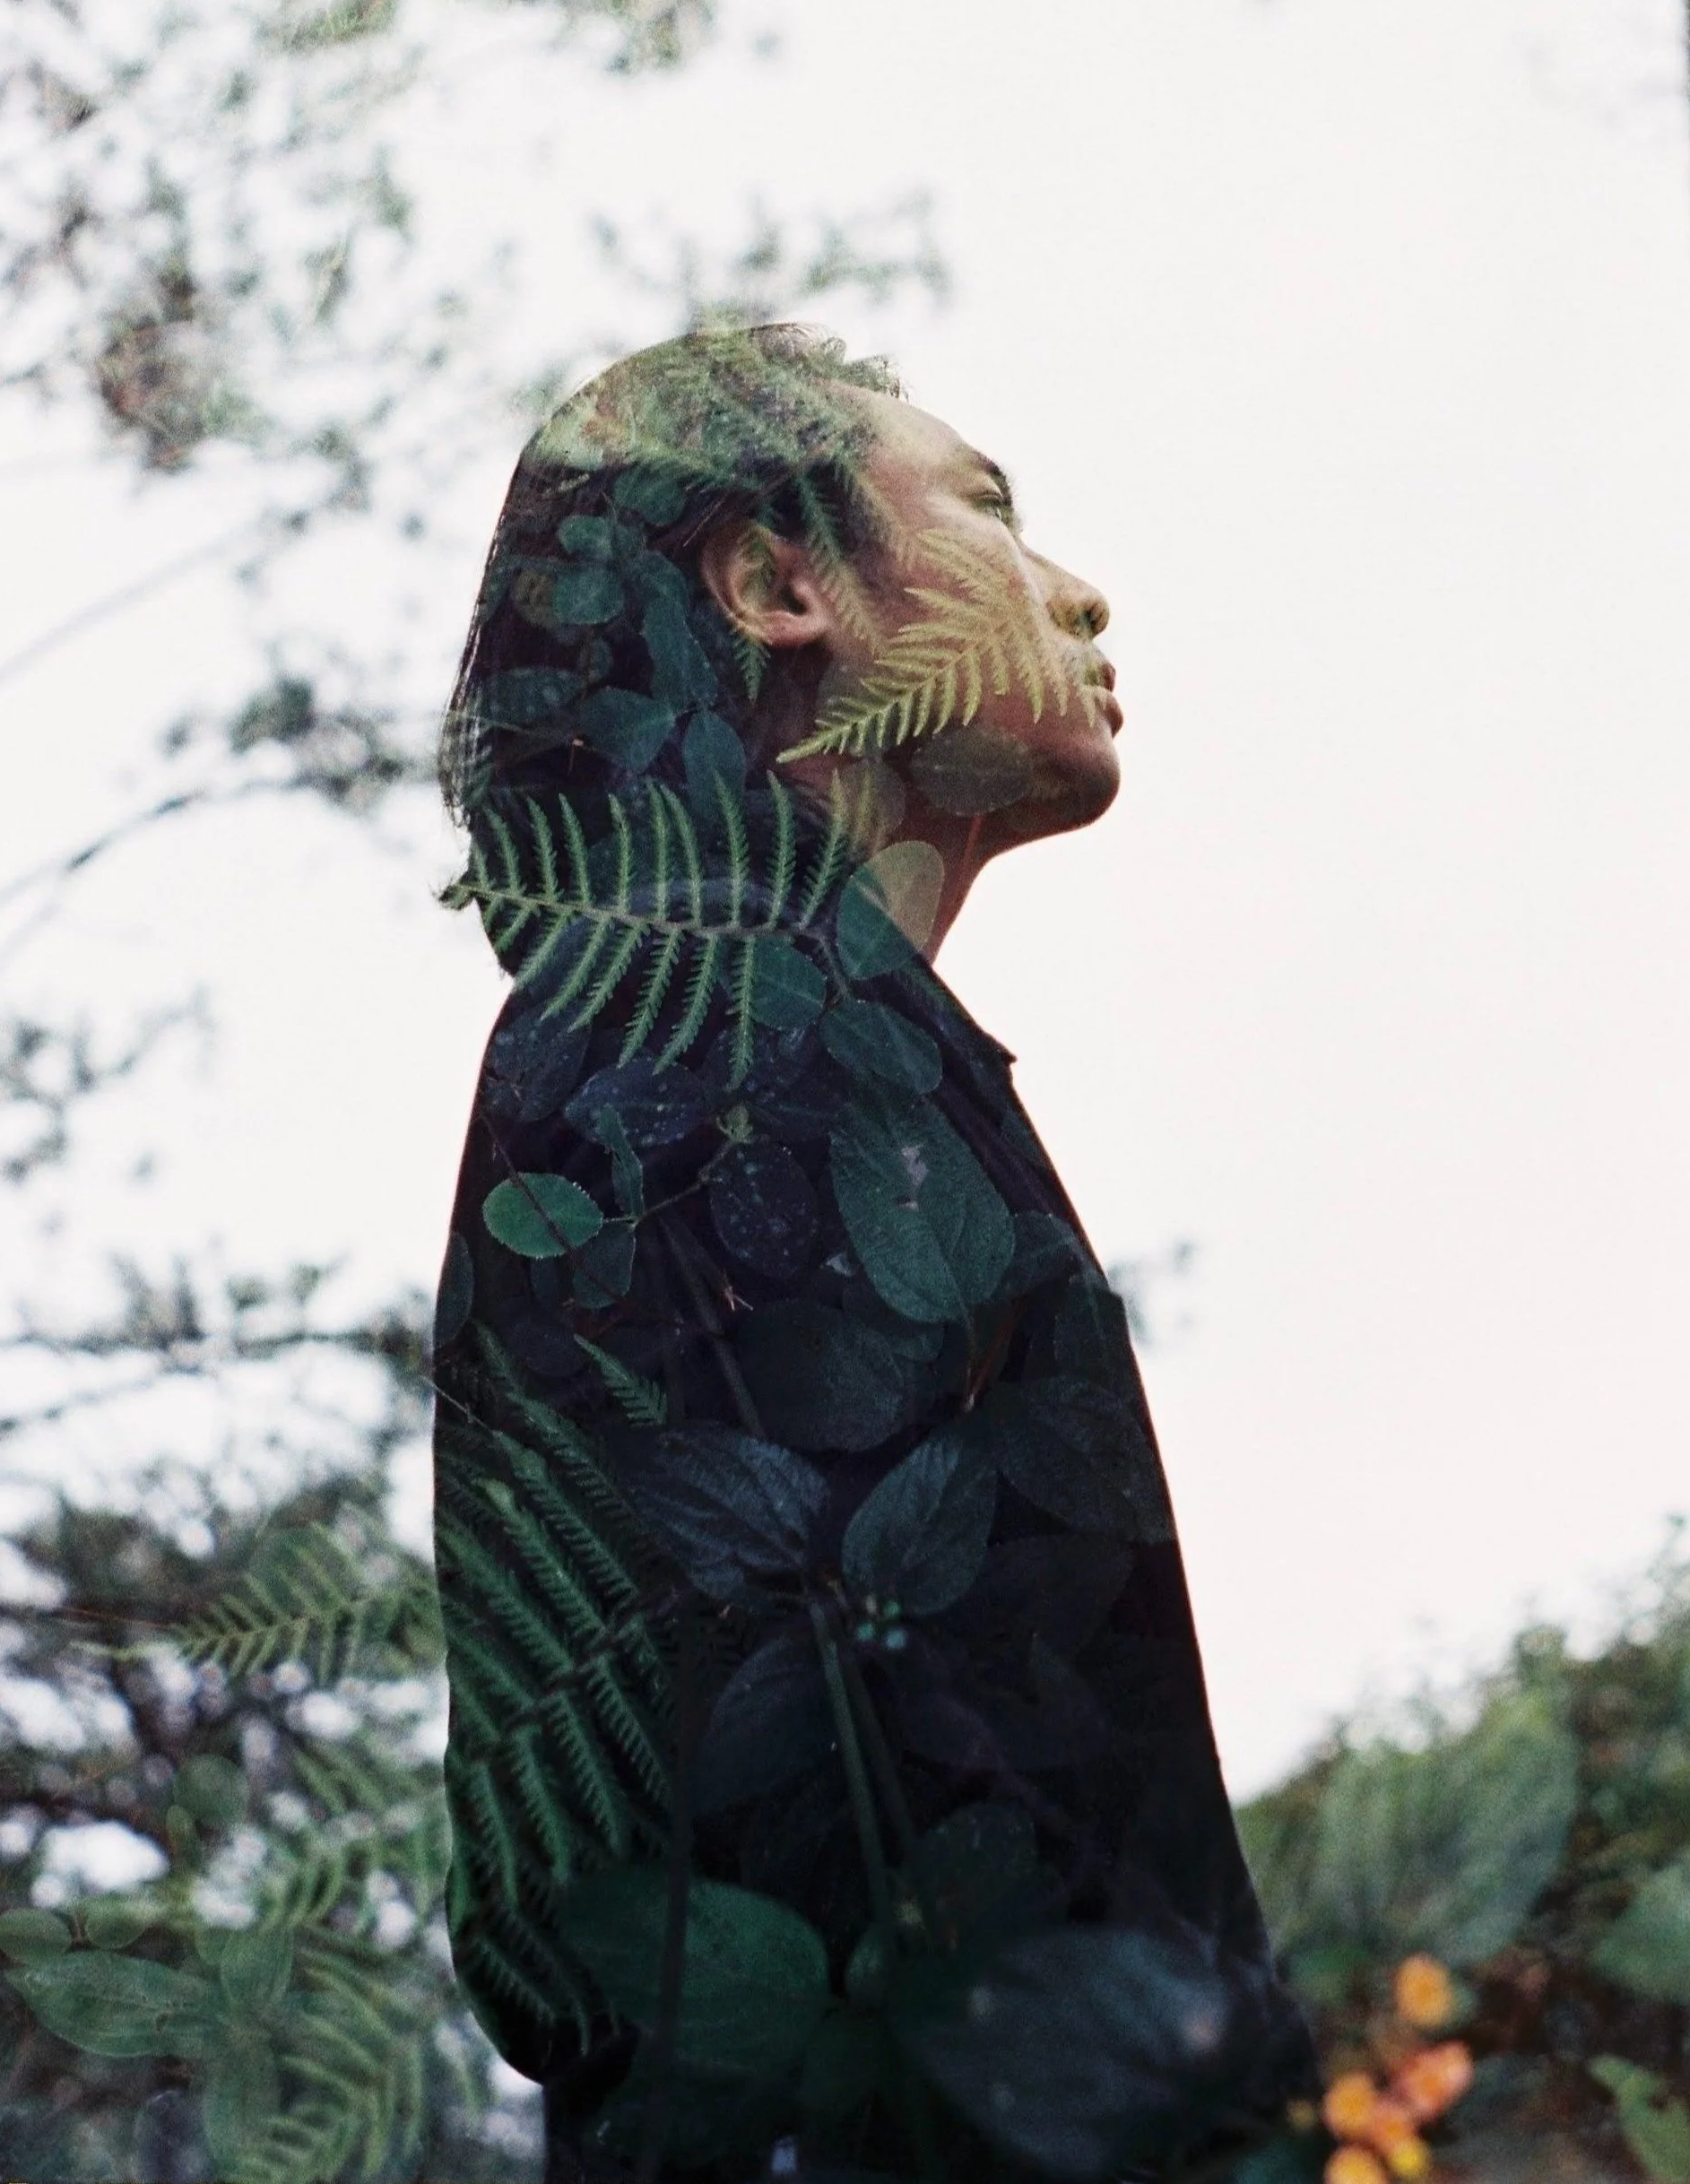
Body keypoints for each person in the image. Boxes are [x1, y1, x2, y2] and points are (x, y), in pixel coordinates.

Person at [432, 323, 1317, 2184]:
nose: (1076, 592)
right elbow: (876, 1793)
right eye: (986, 509)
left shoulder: (762, 1017)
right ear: (777, 585)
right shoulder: (722, 1021)